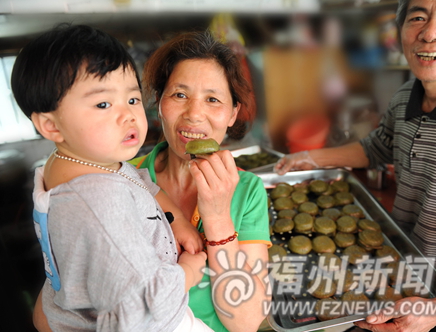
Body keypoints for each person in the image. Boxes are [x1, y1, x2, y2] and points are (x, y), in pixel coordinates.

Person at [274, 0, 436, 331]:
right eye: (418, 17)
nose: (430, 33)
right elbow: (377, 148)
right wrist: (308, 159)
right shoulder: (407, 94)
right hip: (396, 274)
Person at [33, 30, 272, 332]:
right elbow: (50, 313)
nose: (194, 114)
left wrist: (218, 217)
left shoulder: (247, 190)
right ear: (159, 103)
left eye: (213, 99)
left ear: (233, 113)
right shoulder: (108, 177)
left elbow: (247, 323)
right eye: (180, 95)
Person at [12, 24, 211, 331]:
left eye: (132, 99)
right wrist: (189, 271)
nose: (128, 115)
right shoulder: (100, 203)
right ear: (51, 126)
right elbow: (144, 303)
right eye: (103, 104)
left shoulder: (81, 160)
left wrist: (177, 220)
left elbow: (136, 180)